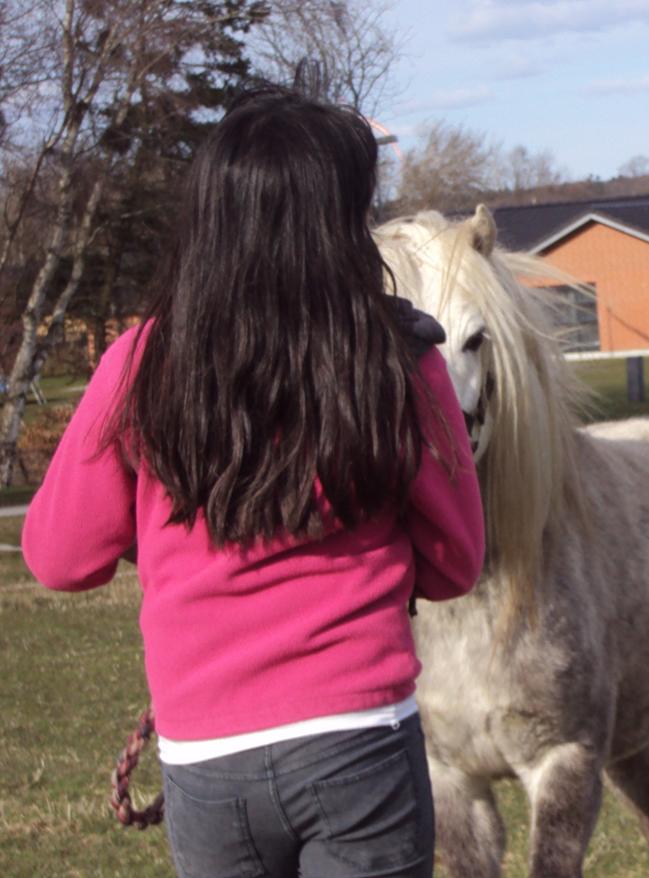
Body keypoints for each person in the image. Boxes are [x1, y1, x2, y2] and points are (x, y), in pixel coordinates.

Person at [21, 87, 484, 878]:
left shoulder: (139, 365)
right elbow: (454, 565)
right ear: (335, 225)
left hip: (209, 754)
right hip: (360, 737)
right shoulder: (400, 360)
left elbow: (59, 558)